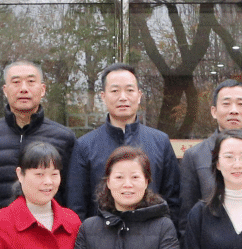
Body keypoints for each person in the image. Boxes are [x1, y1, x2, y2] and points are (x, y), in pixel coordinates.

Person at [68, 63, 181, 220]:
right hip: (101, 233)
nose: (123, 97)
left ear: (139, 95)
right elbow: (76, 205)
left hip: (152, 232)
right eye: (115, 91)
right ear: (103, 96)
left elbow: (173, 200)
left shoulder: (160, 142)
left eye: (129, 90)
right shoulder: (85, 145)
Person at [0, 60, 78, 221]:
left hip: (49, 229)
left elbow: (72, 193)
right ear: (5, 90)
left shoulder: (64, 137)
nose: (23, 88)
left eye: (30, 81)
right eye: (16, 82)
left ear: (42, 89)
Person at [179, 79, 242, 207]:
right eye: (226, 104)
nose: (234, 110)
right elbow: (187, 211)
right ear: (214, 111)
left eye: (240, 104)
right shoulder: (195, 156)